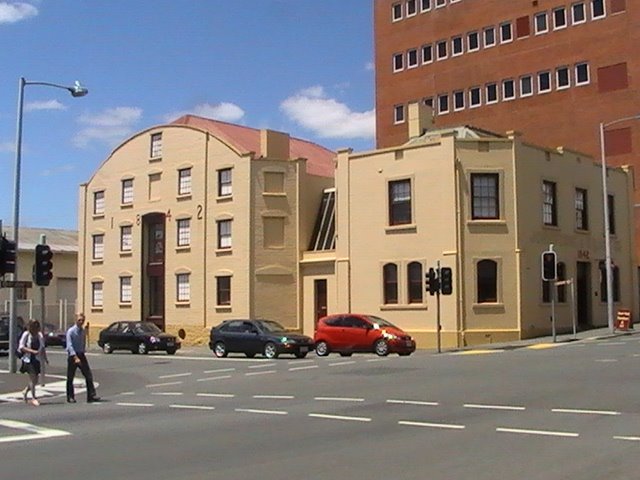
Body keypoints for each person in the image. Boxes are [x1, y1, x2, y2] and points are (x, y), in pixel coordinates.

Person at [66, 313, 100, 403]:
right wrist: (75, 357)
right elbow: (69, 345)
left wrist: (83, 351)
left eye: (82, 320)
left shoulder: (83, 331)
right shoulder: (71, 331)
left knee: (88, 375)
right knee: (70, 377)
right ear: (75, 320)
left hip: (81, 354)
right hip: (73, 356)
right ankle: (70, 396)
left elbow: (83, 341)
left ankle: (91, 396)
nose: (81, 322)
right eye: (79, 320)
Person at [18, 319, 48, 406]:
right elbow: (21, 347)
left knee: (35, 380)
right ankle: (33, 398)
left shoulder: (40, 335)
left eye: (37, 326)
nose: (35, 328)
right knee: (32, 378)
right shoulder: (26, 334)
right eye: (34, 326)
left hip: (37, 360)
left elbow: (42, 347)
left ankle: (25, 391)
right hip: (28, 360)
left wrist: (45, 358)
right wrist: (32, 351)